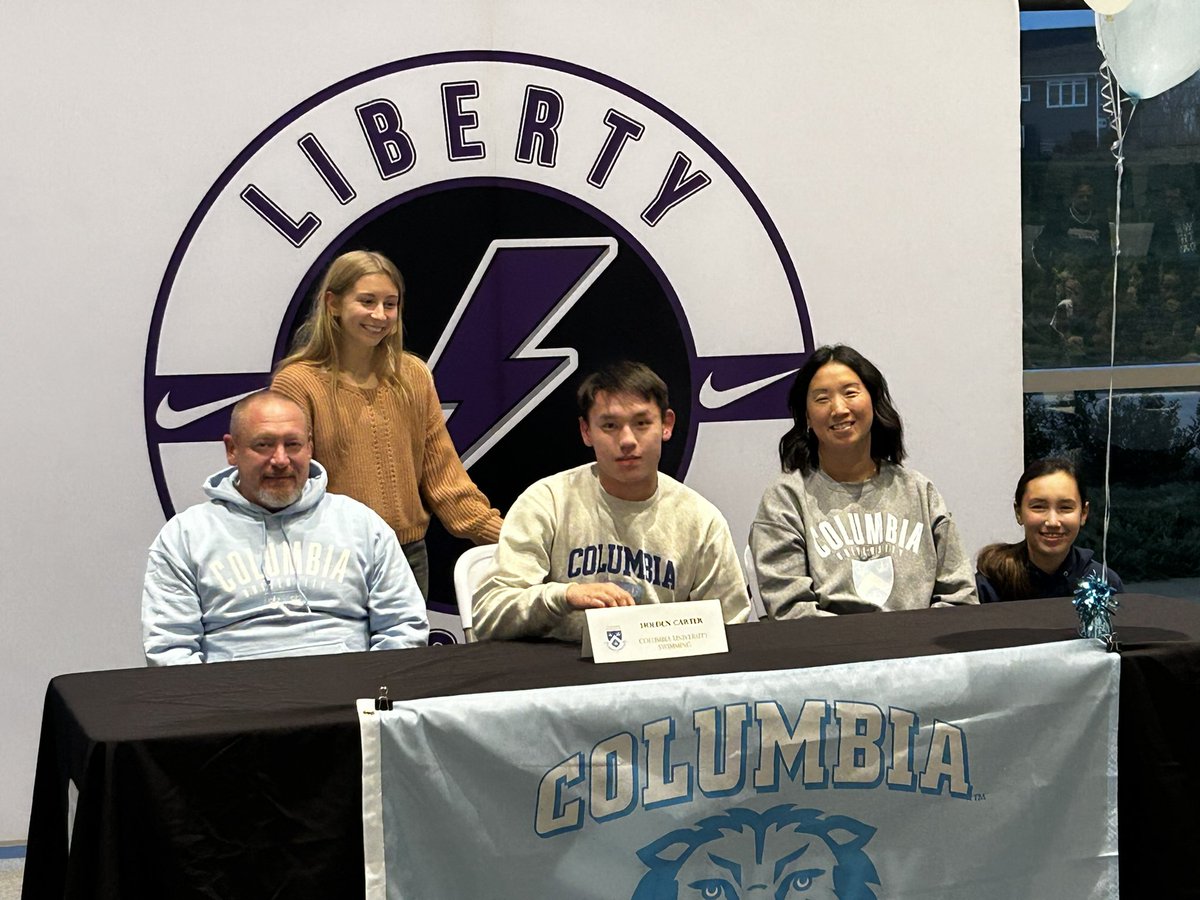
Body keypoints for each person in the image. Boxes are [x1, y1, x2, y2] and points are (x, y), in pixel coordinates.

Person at [272, 250, 502, 598]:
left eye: (390, 304)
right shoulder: (297, 383)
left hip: (408, 558)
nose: (380, 315)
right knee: (338, 654)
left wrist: (512, 538)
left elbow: (444, 477)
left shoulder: (412, 376)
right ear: (332, 303)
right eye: (367, 301)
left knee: (409, 655)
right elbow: (288, 488)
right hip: (330, 560)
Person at [142, 391, 428, 665]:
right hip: (237, 705)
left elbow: (403, 626)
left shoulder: (361, 525)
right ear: (232, 450)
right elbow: (170, 646)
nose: (280, 460)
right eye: (263, 445)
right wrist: (220, 709)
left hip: (349, 699)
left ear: (310, 447)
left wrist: (373, 695)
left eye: (293, 445)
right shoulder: (185, 537)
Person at [472, 361, 750, 641]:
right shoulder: (547, 503)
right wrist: (565, 595)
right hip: (560, 674)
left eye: (642, 423)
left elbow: (731, 627)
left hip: (661, 675)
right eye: (610, 425)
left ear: (666, 425)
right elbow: (488, 615)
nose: (627, 440)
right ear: (586, 432)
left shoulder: (701, 520)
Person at [749, 345, 977, 617]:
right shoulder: (786, 499)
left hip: (920, 654)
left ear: (873, 401)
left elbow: (960, 596)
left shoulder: (918, 491)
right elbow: (791, 610)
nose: (839, 409)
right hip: (832, 657)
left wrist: (913, 650)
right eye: (822, 399)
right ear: (807, 416)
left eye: (850, 393)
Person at [975, 458, 1123, 603]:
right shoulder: (991, 584)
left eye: (1065, 507)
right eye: (1038, 507)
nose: (1052, 522)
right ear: (1018, 512)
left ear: (1083, 513)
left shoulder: (1104, 583)